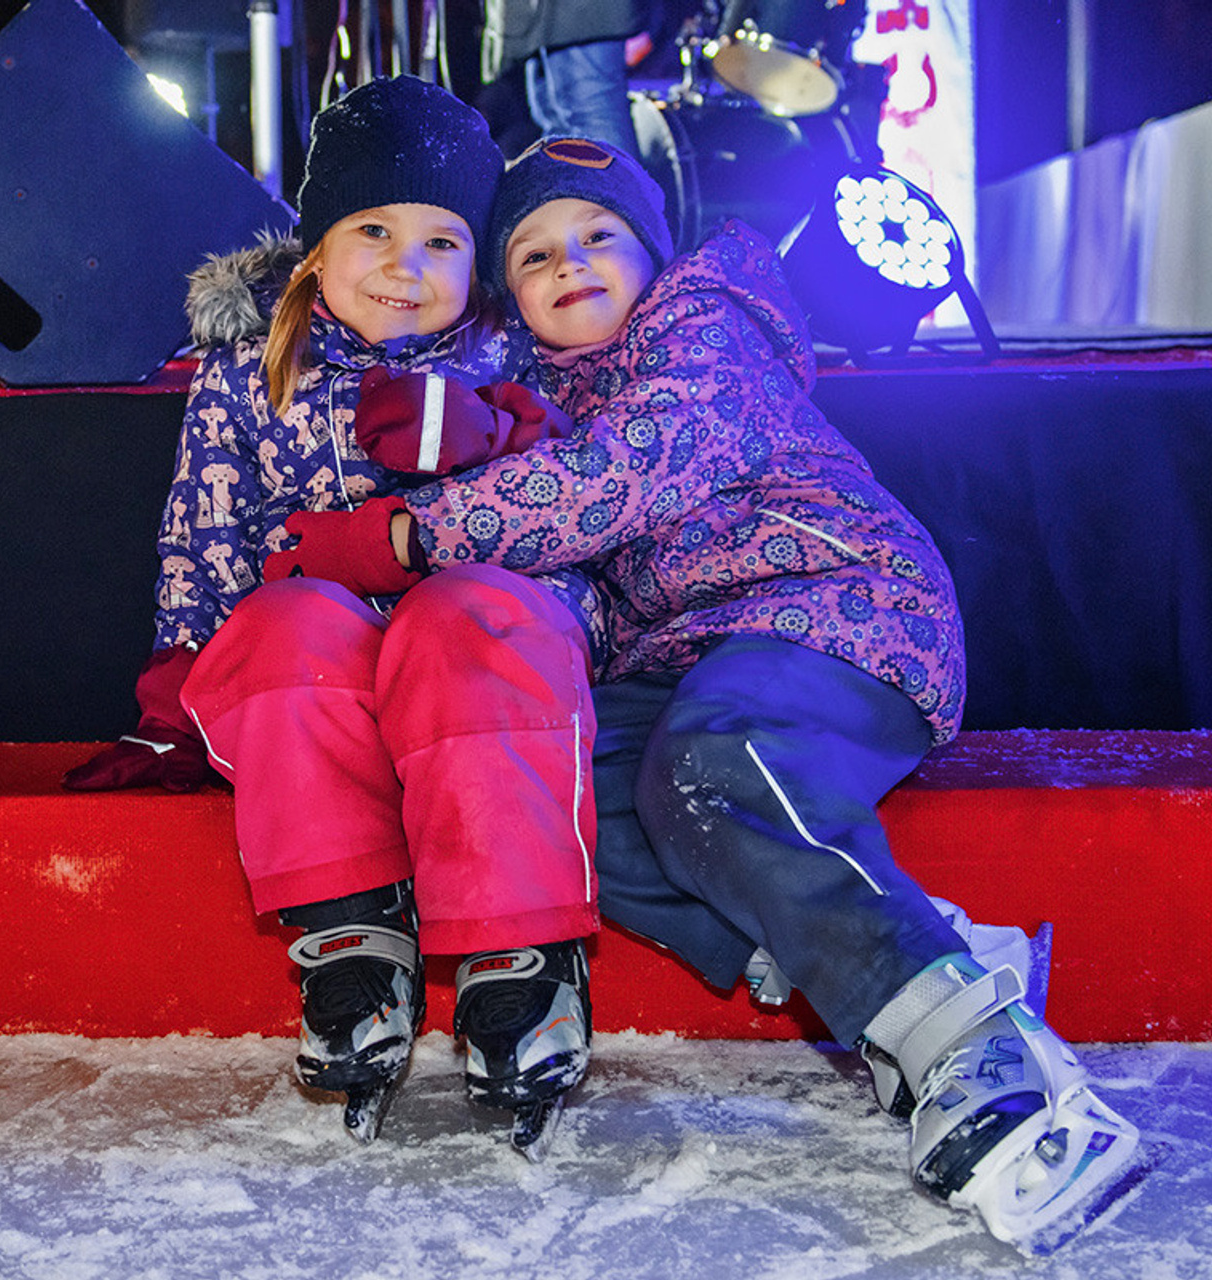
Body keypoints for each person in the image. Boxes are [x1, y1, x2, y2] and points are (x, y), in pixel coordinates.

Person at [323, 136, 1142, 1252]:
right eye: (534, 252)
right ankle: (891, 940)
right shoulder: (534, 410)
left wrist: (417, 531)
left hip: (837, 608)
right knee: (550, 789)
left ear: (653, 255)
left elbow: (627, 473)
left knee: (716, 761)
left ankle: (966, 1052)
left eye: (599, 234)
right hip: (686, 660)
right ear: (509, 296)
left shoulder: (703, 331)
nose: (572, 261)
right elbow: (576, 587)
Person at [63, 78, 604, 1158]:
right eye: (373, 230)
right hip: (329, 664)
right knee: (283, 623)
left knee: (463, 614)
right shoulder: (251, 364)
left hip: (476, 650)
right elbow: (203, 521)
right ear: (316, 243)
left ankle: (521, 956)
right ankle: (351, 937)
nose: (407, 267)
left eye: (442, 241)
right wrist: (182, 657)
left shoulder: (505, 361)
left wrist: (470, 474)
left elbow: (570, 525)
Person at [480, 0, 647, 159]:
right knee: (554, 123)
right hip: (540, 21)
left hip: (580, 15)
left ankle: (612, 187)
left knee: (592, 116)